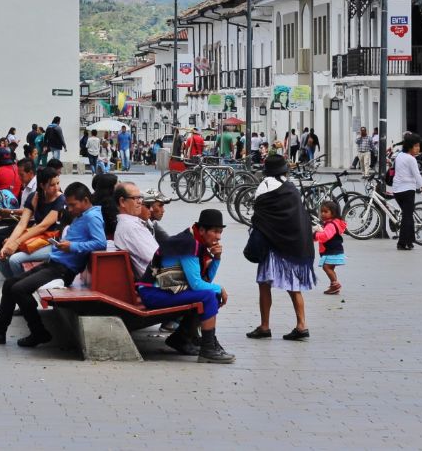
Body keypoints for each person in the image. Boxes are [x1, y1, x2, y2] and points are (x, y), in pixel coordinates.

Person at [0, 181, 104, 348]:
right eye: (68, 205)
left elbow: (100, 243)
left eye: (72, 205)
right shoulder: (83, 215)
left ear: (85, 200)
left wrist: (72, 246)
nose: (70, 209)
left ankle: (38, 331)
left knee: (19, 289)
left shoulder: (93, 217)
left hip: (63, 270)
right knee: (10, 284)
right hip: (54, 264)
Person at [137, 208, 236, 364]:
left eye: (220, 232)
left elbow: (205, 281)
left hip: (164, 291)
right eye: (215, 232)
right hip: (153, 293)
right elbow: (197, 285)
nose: (218, 237)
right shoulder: (188, 245)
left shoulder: (195, 241)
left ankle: (182, 339)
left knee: (210, 293)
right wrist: (220, 289)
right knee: (210, 295)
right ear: (202, 230)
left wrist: (216, 258)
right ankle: (208, 349)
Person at [246, 154, 315, 340]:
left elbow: (259, 214)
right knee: (294, 286)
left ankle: (265, 326)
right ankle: (302, 325)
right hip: (291, 244)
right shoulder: (291, 187)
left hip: (271, 243)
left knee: (264, 284)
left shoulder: (264, 185)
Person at [390, 132, 422, 250]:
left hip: (397, 191)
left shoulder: (399, 156)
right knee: (407, 217)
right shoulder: (411, 159)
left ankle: (410, 241)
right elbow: (418, 176)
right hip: (407, 190)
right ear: (409, 146)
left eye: (419, 146)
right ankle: (402, 243)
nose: (418, 148)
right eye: (416, 146)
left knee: (407, 215)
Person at [111, 182, 159, 279]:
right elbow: (156, 257)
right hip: (157, 281)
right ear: (122, 202)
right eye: (135, 198)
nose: (140, 202)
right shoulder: (131, 227)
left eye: (140, 197)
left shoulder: (131, 224)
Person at [313, 201, 346, 295]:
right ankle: (333, 286)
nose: (322, 214)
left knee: (326, 267)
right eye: (321, 211)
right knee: (330, 268)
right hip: (335, 250)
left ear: (333, 213)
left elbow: (326, 236)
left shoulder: (331, 225)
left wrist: (315, 235)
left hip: (333, 251)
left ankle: (335, 284)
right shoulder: (331, 223)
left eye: (325, 211)